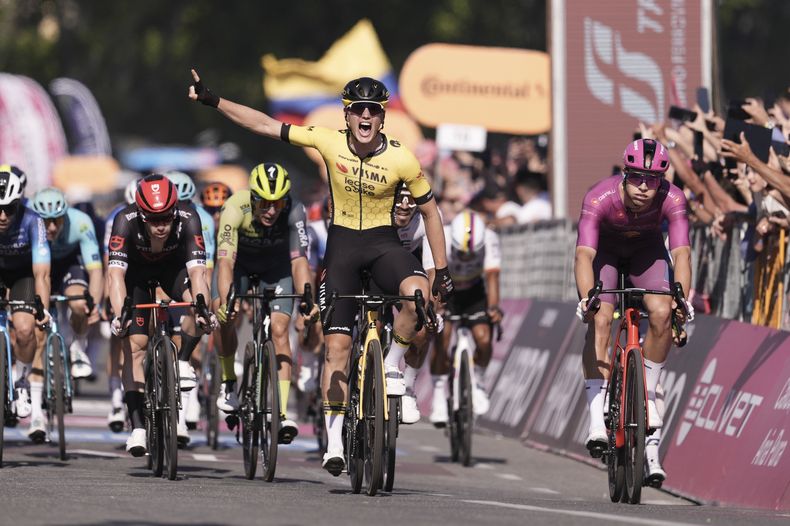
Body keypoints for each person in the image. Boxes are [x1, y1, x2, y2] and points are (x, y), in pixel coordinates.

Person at [189, 70, 453, 475]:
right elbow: (263, 124)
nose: (365, 116)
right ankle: (333, 441)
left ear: (383, 118)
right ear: (346, 116)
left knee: (416, 294)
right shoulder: (327, 141)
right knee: (336, 350)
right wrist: (214, 101)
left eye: (373, 110)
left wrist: (444, 269)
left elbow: (431, 213)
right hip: (344, 248)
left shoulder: (403, 157)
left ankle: (394, 365)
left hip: (385, 245)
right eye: (357, 110)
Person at [574, 138, 693, 485]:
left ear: (662, 181)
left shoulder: (674, 198)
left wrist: (682, 297)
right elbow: (584, 255)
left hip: (647, 252)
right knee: (600, 318)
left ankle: (649, 396)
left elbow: (682, 253)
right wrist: (587, 298)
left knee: (661, 311)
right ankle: (597, 419)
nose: (644, 187)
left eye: (652, 180)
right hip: (605, 253)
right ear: (625, 174)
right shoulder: (599, 197)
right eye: (638, 177)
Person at [107, 174, 217, 456]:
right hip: (137, 277)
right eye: (153, 219)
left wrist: (203, 308)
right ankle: (138, 427)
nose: (160, 225)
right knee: (135, 346)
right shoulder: (124, 219)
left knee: (196, 304)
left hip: (173, 271)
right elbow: (116, 275)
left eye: (166, 218)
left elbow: (197, 272)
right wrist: (121, 315)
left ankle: (181, 360)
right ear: (141, 214)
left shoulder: (189, 216)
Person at [212, 162, 317, 445]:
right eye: (264, 204)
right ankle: (228, 382)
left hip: (277, 268)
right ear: (253, 198)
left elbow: (299, 261)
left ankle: (281, 411)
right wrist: (227, 300)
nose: (271, 211)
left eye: (278, 203)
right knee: (223, 315)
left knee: (281, 331)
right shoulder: (235, 207)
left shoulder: (294, 210)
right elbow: (224, 261)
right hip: (239, 267)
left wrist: (307, 297)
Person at [423, 211, 502, 425]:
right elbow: (432, 277)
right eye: (461, 253)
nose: (466, 258)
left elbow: (493, 277)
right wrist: (437, 308)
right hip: (446, 289)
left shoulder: (490, 239)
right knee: (443, 340)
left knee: (484, 338)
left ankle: (478, 381)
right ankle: (439, 394)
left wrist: (494, 308)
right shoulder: (443, 236)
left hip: (474, 291)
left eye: (471, 254)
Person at [164, 170, 217, 445]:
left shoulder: (200, 219)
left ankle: (183, 411)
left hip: (186, 272)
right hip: (160, 270)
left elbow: (203, 269)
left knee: (190, 322)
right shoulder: (157, 219)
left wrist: (203, 306)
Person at [30, 188, 103, 388]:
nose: (52, 227)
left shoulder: (81, 222)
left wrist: (93, 305)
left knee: (80, 304)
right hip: (36, 266)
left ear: (65, 215)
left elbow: (95, 270)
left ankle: (78, 346)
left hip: (67, 264)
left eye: (57, 220)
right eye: (46, 221)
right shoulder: (28, 221)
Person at [0, 167, 51, 439]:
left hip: (23, 275)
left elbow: (41, 272)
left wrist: (40, 305)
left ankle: (21, 379)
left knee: (24, 329)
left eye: (9, 209)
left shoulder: (33, 221)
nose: (2, 216)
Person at [101, 178, 138, 432]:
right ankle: (116, 397)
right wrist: (107, 296)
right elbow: (109, 261)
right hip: (123, 270)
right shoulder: (118, 217)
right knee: (119, 334)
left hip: (151, 269)